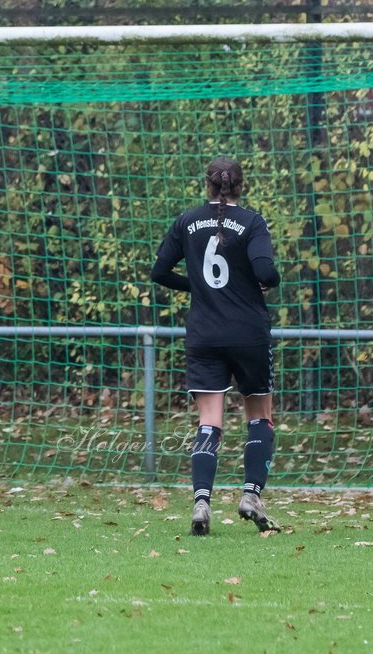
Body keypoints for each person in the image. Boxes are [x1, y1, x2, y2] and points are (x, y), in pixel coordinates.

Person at [150, 157, 281, 536]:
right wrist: (265, 281)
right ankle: (251, 495)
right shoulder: (253, 222)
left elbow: (159, 271)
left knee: (209, 422)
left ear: (206, 184)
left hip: (204, 334)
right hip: (248, 333)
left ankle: (202, 503)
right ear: (241, 185)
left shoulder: (186, 221)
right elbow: (266, 272)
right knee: (260, 416)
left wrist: (197, 286)